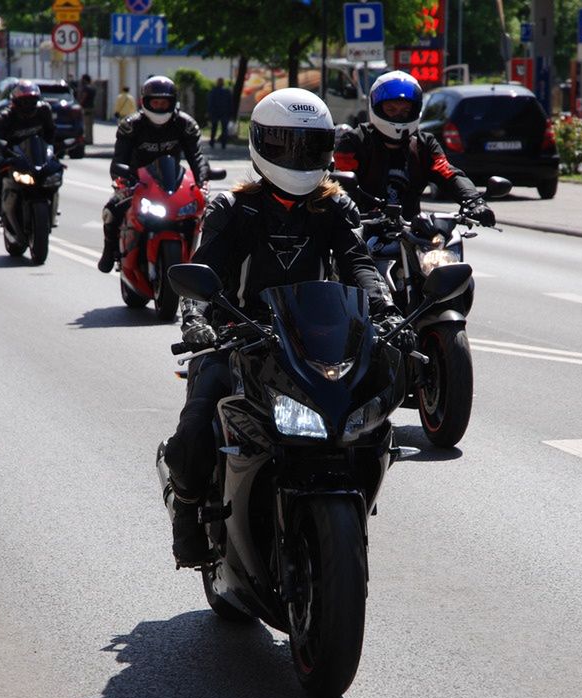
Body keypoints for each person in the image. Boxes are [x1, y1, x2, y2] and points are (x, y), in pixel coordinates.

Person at [160, 87, 412, 567]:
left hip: (313, 341)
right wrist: (195, 319)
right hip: (238, 337)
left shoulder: (334, 206)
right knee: (195, 428)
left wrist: (385, 310)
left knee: (369, 413)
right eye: (285, 144)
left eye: (309, 145)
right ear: (260, 143)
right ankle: (187, 513)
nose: (297, 156)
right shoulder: (232, 208)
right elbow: (204, 271)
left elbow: (359, 264)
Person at [333, 70, 494, 225]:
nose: (398, 115)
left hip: (411, 229)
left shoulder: (423, 143)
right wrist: (348, 209)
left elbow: (449, 174)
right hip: (362, 227)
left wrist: (474, 202)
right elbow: (339, 183)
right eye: (391, 110)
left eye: (405, 111)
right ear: (377, 107)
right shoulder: (355, 140)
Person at [97, 75, 209, 274]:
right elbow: (119, 160)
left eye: (164, 102)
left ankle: (202, 259)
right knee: (112, 210)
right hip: (136, 182)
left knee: (207, 211)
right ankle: (108, 252)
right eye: (155, 102)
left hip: (172, 182)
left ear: (172, 102)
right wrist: (123, 178)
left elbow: (197, 157)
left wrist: (202, 181)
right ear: (145, 102)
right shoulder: (131, 125)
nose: (159, 106)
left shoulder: (185, 124)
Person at [0, 80, 55, 225]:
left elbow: (51, 134)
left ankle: (52, 208)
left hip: (38, 157)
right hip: (14, 158)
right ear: (15, 102)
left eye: (32, 100)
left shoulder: (44, 111)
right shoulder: (4, 117)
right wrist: (1, 160)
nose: (28, 105)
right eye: (24, 101)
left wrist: (53, 152)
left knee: (55, 172)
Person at [206, 77, 232, 149]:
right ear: (223, 83)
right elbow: (230, 103)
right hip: (224, 112)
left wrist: (209, 112)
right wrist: (230, 113)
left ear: (217, 83)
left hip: (215, 112)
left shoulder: (213, 91)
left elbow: (210, 102)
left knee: (214, 127)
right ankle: (223, 143)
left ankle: (212, 142)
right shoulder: (227, 91)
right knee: (224, 129)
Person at [76, 73, 95, 145]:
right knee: (90, 125)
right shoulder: (93, 87)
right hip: (91, 107)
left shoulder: (86, 88)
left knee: (86, 124)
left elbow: (84, 97)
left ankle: (87, 139)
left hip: (86, 108)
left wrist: (79, 104)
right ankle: (90, 139)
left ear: (85, 80)